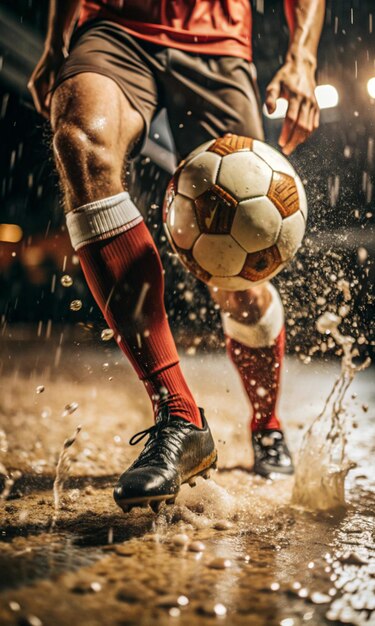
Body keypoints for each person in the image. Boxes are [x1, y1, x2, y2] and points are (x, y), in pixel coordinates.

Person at [28, 0, 324, 512]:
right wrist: (56, 41)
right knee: (78, 139)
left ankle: (266, 422)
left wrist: (302, 57)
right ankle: (180, 415)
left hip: (217, 38)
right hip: (114, 25)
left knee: (242, 288)